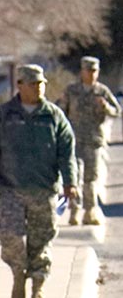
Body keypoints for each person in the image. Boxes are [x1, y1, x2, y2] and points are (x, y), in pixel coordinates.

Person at [0, 64, 77, 298]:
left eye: (41, 83)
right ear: (19, 85)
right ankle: (17, 272)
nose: (38, 87)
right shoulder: (2, 116)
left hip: (44, 190)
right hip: (11, 189)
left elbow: (67, 152)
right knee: (9, 235)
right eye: (33, 83)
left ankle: (38, 286)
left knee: (41, 240)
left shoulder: (53, 116)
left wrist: (70, 182)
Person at [58, 55, 122, 225]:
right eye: (89, 70)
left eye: (94, 71)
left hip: (94, 141)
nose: (92, 74)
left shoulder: (101, 91)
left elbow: (117, 111)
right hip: (74, 141)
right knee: (75, 177)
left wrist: (105, 106)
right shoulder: (72, 91)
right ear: (82, 71)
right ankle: (75, 212)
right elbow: (60, 111)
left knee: (91, 178)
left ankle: (90, 212)